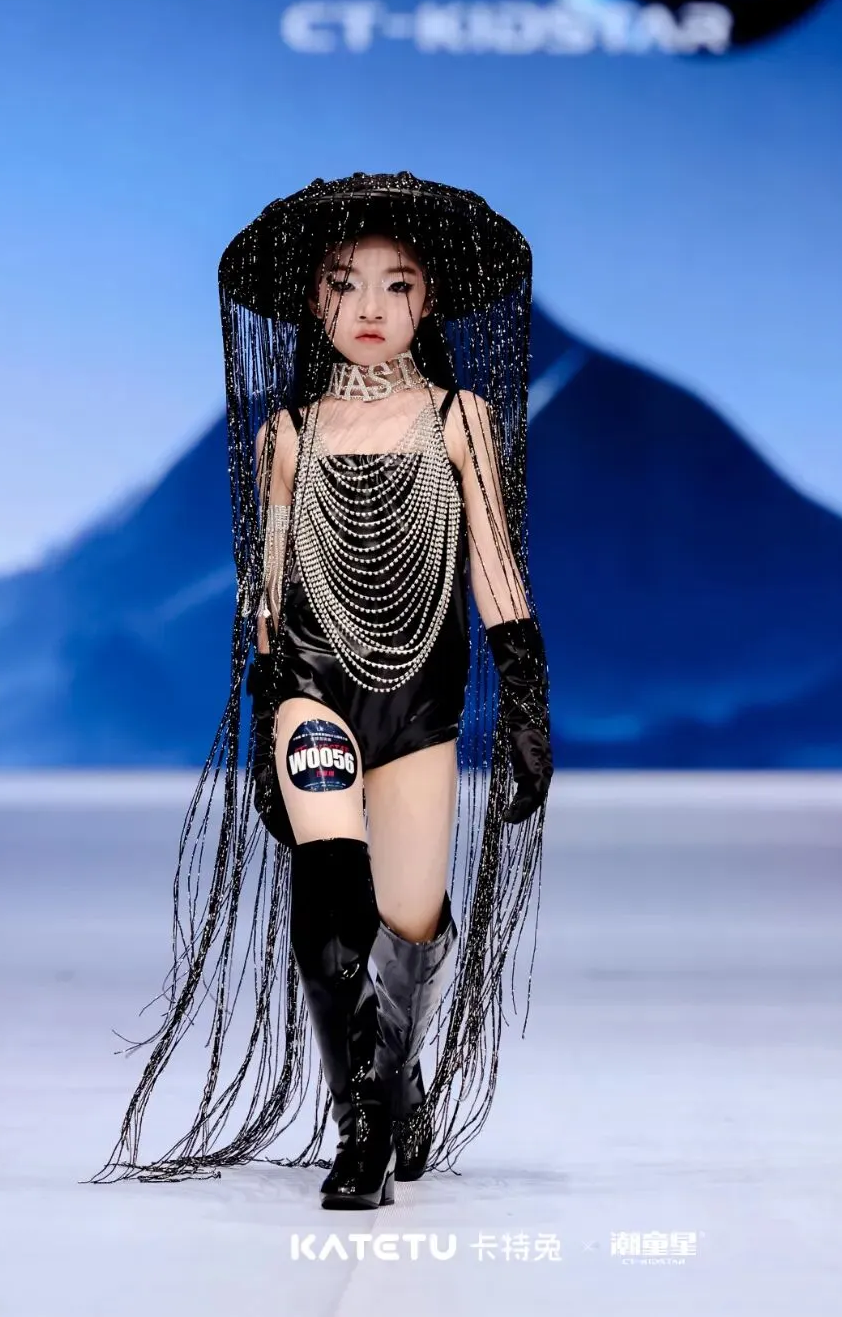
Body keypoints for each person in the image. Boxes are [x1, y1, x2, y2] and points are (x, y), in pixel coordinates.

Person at [89, 171, 553, 1207]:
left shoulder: (461, 419)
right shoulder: (287, 433)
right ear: (314, 301)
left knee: (411, 920)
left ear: (429, 301)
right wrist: (268, 711)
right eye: (346, 284)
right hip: (312, 687)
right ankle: (363, 1129)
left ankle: (397, 1079)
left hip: (421, 702)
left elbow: (493, 565)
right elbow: (269, 588)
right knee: (330, 897)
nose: (371, 307)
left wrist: (526, 698)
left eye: (398, 284)